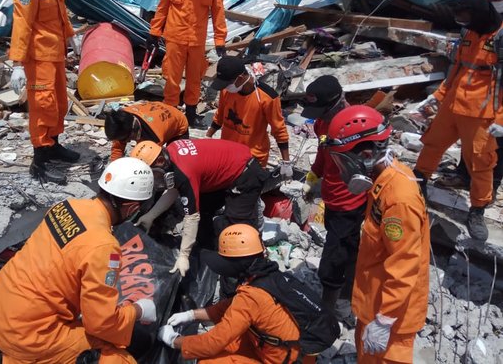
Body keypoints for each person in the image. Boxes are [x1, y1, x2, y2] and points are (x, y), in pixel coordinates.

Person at [0, 157, 158, 364]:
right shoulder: (104, 247)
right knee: (119, 357)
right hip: (28, 335)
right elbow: (101, 324)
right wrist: (139, 310)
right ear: (132, 207)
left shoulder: (67, 207)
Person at [326, 105, 430, 364]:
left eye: (344, 161)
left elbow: (405, 265)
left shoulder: (398, 199)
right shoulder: (382, 183)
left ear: (366, 154)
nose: (342, 170)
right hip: (374, 303)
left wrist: (385, 320)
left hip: (391, 317)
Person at [414, 0, 503, 241]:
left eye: (465, 15)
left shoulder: (499, 37)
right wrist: (439, 96)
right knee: (432, 144)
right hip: (453, 103)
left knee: (481, 163)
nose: (461, 21)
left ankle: (477, 210)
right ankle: (419, 182)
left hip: (481, 111)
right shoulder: (467, 33)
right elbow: (457, 67)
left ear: (479, 13)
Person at [156, 224, 303, 363]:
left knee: (208, 361)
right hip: (276, 346)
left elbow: (212, 343)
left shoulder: (252, 296)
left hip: (281, 359)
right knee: (230, 341)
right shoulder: (265, 275)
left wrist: (173, 340)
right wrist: (191, 315)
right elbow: (228, 307)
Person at [8, 0, 81, 183]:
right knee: (43, 107)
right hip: (38, 57)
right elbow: (22, 24)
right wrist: (17, 63)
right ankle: (39, 161)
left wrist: (72, 37)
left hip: (56, 53)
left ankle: (53, 146)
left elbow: (61, 12)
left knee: (59, 104)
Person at [130, 139, 268, 277]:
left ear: (160, 161)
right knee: (203, 208)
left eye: (153, 174)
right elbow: (175, 190)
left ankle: (251, 269)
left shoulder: (185, 171)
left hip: (244, 172)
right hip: (226, 165)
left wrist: (184, 255)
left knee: (238, 227)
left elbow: (192, 217)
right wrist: (150, 216)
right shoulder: (172, 154)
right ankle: (208, 252)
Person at [300, 75, 367, 318]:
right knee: (344, 246)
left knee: (336, 255)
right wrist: (314, 176)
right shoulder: (322, 122)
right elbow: (322, 150)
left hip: (351, 200)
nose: (316, 116)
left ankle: (334, 305)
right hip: (333, 197)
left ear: (336, 103)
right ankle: (346, 290)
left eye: (320, 110)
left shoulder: (354, 126)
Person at [146, 0, 227, 126]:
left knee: (195, 79)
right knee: (172, 78)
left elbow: (218, 12)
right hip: (175, 37)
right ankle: (171, 113)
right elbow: (162, 6)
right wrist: (154, 32)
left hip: (197, 39)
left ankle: (191, 114)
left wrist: (220, 40)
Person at [437, 0, 503, 198]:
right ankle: (465, 175)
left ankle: (491, 185)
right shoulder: (482, 22)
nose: (493, 3)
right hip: (483, 96)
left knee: (495, 145)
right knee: (474, 141)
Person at [206, 56, 292, 172]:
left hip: (252, 157)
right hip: (227, 152)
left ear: (240, 78)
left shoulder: (267, 98)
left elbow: (279, 130)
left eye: (227, 83)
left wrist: (286, 163)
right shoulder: (226, 90)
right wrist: (208, 136)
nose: (225, 87)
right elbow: (220, 115)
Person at [104, 101, 189, 161]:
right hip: (157, 112)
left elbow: (148, 160)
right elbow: (118, 146)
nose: (128, 141)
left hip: (178, 124)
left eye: (127, 139)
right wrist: (115, 165)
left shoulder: (153, 136)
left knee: (175, 159)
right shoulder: (123, 117)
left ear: (133, 132)